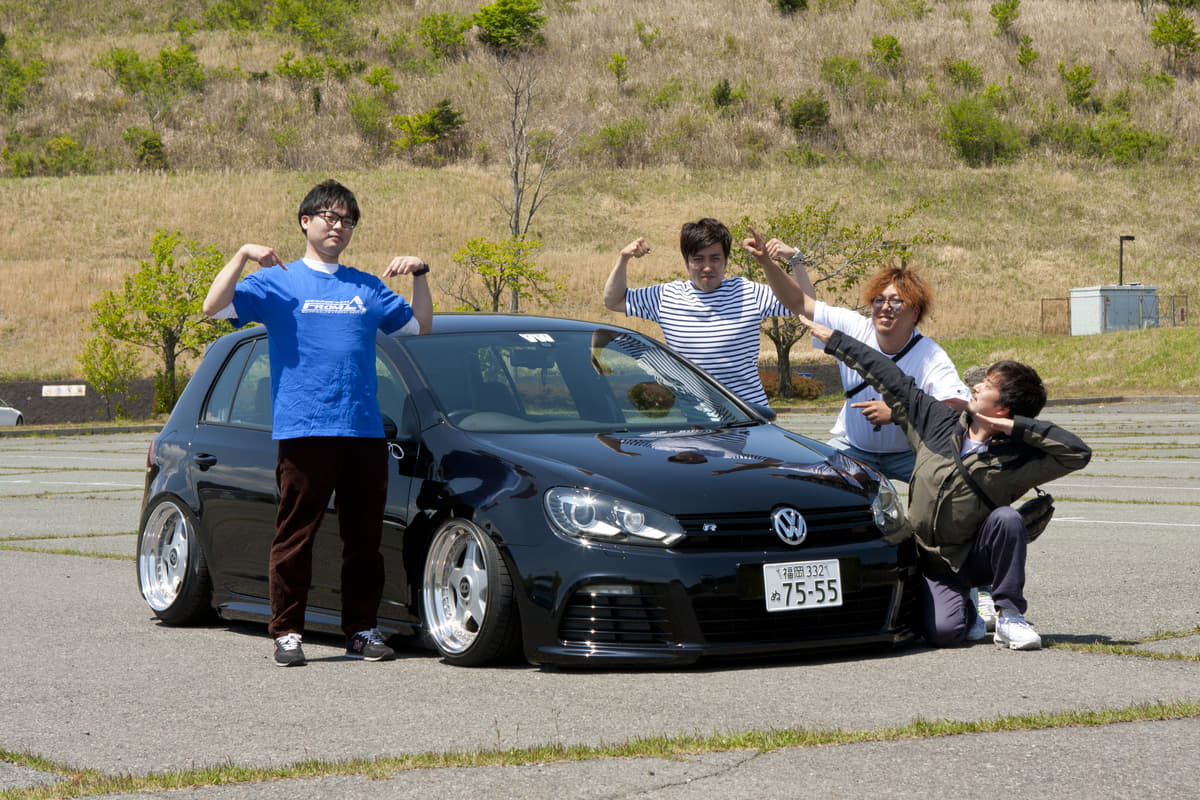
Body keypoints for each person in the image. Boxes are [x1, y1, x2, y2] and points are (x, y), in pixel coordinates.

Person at [202, 179, 432, 667]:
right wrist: (242, 254)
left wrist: (419, 273)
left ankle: (362, 631)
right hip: (304, 430)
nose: (338, 226)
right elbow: (214, 307)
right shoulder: (278, 282)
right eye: (329, 216)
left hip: (363, 433)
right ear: (305, 222)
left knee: (364, 541)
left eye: (347, 220)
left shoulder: (365, 286)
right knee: (296, 534)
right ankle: (287, 632)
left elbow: (420, 326)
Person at [796, 309, 1091, 651]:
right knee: (946, 633)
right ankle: (966, 605)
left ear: (1003, 407)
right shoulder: (940, 421)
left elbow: (1077, 453)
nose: (977, 385)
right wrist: (836, 342)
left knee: (1007, 519)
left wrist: (1015, 428)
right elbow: (891, 377)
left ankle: (1010, 615)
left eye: (988, 386)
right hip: (930, 561)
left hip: (972, 556)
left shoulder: (1016, 456)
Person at [742, 231, 969, 483]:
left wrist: (898, 413)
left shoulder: (930, 354)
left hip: (910, 454)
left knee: (952, 482)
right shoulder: (853, 327)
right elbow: (799, 303)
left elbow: (955, 406)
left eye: (896, 301)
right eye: (878, 299)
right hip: (853, 447)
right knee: (813, 482)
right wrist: (767, 262)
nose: (884, 307)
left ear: (915, 311)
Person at [603, 218, 790, 407]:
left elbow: (803, 303)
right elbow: (614, 300)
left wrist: (794, 259)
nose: (707, 267)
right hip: (695, 421)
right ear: (687, 263)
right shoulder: (666, 297)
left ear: (726, 260)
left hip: (750, 419)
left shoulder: (748, 293)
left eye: (715, 258)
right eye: (698, 259)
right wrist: (623, 257)